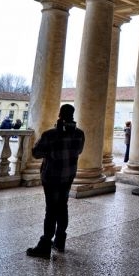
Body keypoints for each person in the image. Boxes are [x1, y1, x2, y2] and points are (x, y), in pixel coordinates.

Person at [26, 104, 85, 259]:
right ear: (72, 115)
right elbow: (79, 151)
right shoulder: (80, 134)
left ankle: (45, 244)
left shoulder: (50, 134)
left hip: (52, 176)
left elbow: (36, 153)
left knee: (51, 209)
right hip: (68, 175)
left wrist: (50, 151)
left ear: (60, 115)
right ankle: (60, 240)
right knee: (62, 206)